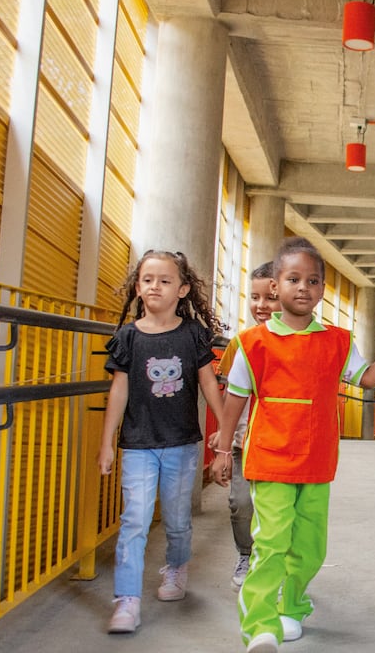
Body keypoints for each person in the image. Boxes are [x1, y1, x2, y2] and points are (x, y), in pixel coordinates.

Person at [209, 237, 375, 653]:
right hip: (269, 459)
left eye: (313, 281)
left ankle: (291, 606)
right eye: (293, 279)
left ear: (322, 290)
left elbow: (367, 379)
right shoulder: (252, 342)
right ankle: (260, 624)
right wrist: (224, 450)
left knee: (311, 547)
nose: (303, 287)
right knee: (272, 542)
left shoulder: (337, 340)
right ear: (275, 286)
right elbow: (235, 400)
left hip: (317, 462)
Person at [98, 250, 226, 634]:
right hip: (137, 444)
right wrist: (107, 443)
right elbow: (118, 392)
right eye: (148, 279)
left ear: (183, 289)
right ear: (138, 286)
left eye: (165, 280)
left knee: (176, 521)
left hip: (181, 444)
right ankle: (127, 599)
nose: (155, 286)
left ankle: (175, 566)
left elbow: (208, 383)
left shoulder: (192, 334)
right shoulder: (127, 337)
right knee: (134, 519)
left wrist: (226, 428)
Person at [209, 261, 280, 589]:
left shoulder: (298, 342)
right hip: (243, 442)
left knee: (278, 512)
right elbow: (231, 396)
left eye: (270, 297)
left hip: (281, 445)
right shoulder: (241, 343)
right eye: (254, 297)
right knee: (240, 504)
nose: (261, 306)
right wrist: (224, 436)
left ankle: (277, 563)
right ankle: (245, 552)